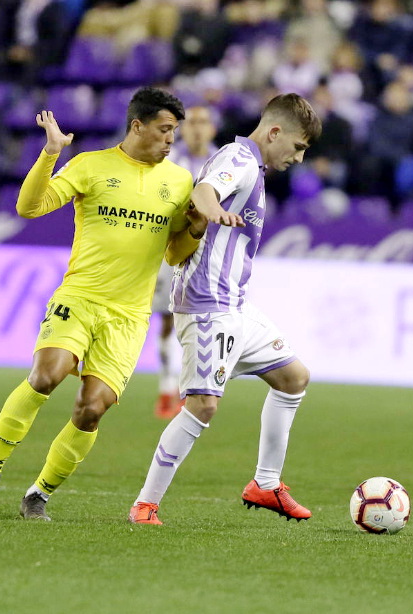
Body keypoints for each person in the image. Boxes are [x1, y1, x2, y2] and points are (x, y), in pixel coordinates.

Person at [0, 87, 211, 521]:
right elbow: (29, 207)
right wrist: (51, 153)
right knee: (46, 375)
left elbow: (173, 253)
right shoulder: (91, 165)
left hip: (129, 316)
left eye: (176, 132)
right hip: (79, 297)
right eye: (165, 130)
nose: (172, 140)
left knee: (92, 408)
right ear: (138, 125)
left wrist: (197, 229)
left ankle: (39, 493)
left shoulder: (179, 182)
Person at [128, 93, 321, 525]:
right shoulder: (240, 157)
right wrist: (212, 208)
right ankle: (145, 504)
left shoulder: (254, 165)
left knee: (293, 378)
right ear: (275, 132)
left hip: (235, 304)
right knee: (203, 405)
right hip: (207, 305)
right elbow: (205, 190)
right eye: (298, 147)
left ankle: (266, 484)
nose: (299, 158)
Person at [153, 104, 218, 419]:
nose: (196, 127)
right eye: (190, 122)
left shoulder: (223, 162)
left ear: (212, 129)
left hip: (209, 253)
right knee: (167, 321)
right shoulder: (168, 160)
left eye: (202, 122)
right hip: (174, 248)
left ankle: (196, 388)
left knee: (205, 321)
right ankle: (167, 387)